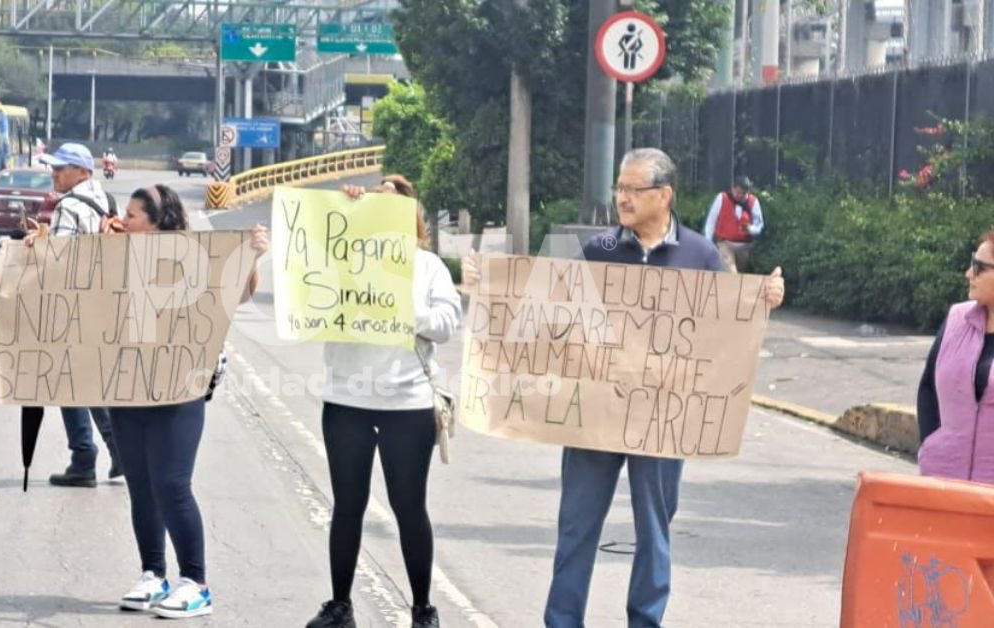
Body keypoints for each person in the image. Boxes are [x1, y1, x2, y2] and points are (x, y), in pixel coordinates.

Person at [463, 149, 785, 628]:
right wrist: (487, 286)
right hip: (595, 415)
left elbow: (723, 332)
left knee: (654, 531)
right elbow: (547, 316)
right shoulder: (599, 251)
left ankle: (645, 621)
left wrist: (762, 304)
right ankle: (562, 620)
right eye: (619, 188)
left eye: (633, 189)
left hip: (662, 419)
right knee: (576, 526)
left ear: (664, 195)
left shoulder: (701, 255)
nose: (622, 198)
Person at [101, 185, 268, 618]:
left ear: (155, 223)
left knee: (171, 484)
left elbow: (238, 293)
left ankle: (196, 583)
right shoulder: (108, 254)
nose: (124, 220)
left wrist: (252, 257)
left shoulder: (194, 257)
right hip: (126, 384)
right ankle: (152, 574)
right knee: (140, 484)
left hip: (179, 386)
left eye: (133, 215)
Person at [305, 175, 462, 628]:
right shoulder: (342, 256)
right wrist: (344, 210)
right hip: (346, 401)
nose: (381, 210)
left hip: (407, 404)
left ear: (410, 217)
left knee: (409, 505)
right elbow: (307, 274)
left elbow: (448, 322)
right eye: (374, 203)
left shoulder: (428, 266)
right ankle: (340, 605)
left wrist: (402, 309)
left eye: (391, 206)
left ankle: (422, 608)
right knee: (347, 504)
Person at [34, 142, 121, 487]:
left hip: (73, 306)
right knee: (89, 381)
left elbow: (60, 260)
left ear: (83, 171)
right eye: (53, 168)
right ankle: (118, 450)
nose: (54, 173)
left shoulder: (68, 205)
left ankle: (84, 457)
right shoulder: (108, 201)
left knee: (66, 383)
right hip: (102, 304)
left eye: (61, 168)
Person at [916, 230, 994, 484]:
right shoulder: (956, 319)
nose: (969, 274)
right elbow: (928, 387)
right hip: (943, 480)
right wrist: (932, 443)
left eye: (979, 267)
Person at [703, 175, 765, 273]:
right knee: (731, 273)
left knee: (741, 275)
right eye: (738, 192)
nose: (740, 195)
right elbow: (711, 222)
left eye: (743, 193)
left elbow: (759, 225)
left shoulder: (753, 202)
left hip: (745, 246)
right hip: (725, 244)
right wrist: (708, 242)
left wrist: (751, 229)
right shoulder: (722, 198)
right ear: (733, 189)